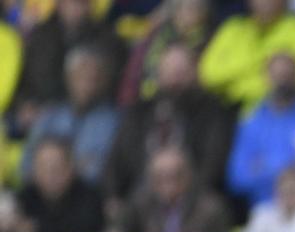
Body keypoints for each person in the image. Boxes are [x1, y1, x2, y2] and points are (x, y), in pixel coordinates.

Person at [104, 43, 234, 216]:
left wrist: (181, 191)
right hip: (141, 199)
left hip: (192, 199)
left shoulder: (213, 111)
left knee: (211, 209)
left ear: (195, 73)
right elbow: (116, 160)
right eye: (170, 70)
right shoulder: (138, 112)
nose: (175, 77)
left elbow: (214, 162)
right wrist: (112, 195)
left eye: (181, 71)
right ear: (159, 74)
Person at [227, 52, 295, 207]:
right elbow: (237, 178)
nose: (282, 82)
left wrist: (262, 166)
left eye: (288, 75)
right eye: (277, 76)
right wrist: (290, 166)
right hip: (264, 208)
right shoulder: (251, 122)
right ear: (266, 78)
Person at [15, 0, 123, 134]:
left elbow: (108, 86)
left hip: (87, 112)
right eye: (68, 2)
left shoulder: (108, 40)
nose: (74, 7)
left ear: (90, 6)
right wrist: (25, 104)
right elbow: (23, 78)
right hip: (39, 108)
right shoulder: (41, 34)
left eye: (80, 3)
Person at [24, 48, 119, 187]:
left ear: (103, 81)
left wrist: (58, 170)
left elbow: (102, 168)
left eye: (94, 78)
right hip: (42, 194)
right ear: (69, 78)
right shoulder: (51, 115)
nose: (87, 84)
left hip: (89, 196)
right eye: (81, 76)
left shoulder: (112, 121)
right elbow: (27, 163)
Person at [199, 0, 295, 107]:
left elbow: (285, 80)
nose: (264, 2)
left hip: (276, 109)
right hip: (227, 109)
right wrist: (255, 66)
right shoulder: (233, 27)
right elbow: (208, 75)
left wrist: (234, 86)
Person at [120, 0, 215, 105]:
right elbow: (135, 71)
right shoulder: (158, 35)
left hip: (190, 103)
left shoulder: (210, 41)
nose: (190, 13)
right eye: (186, 8)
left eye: (197, 9)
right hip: (147, 101)